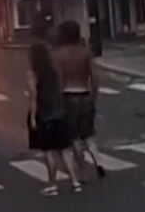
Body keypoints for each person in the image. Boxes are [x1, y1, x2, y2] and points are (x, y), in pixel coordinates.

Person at [51, 20, 105, 179]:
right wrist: (93, 96)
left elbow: (59, 79)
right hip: (85, 93)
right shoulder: (85, 52)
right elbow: (95, 77)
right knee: (88, 134)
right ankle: (99, 161)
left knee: (74, 135)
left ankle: (81, 168)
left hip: (68, 95)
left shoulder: (58, 54)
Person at [27, 39, 81, 196]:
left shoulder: (32, 74)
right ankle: (75, 181)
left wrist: (32, 117)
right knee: (65, 150)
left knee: (49, 152)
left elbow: (33, 96)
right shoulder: (54, 70)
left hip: (45, 114)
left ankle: (53, 185)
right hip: (60, 112)